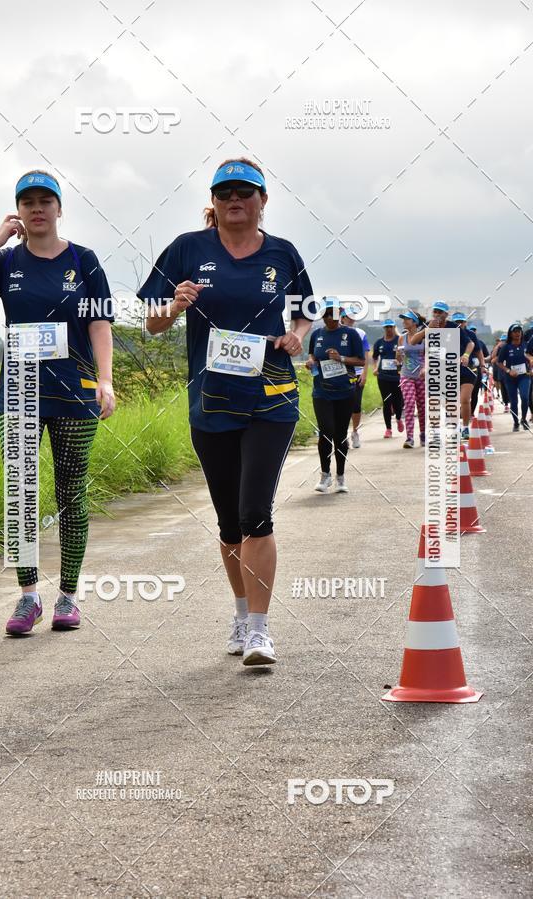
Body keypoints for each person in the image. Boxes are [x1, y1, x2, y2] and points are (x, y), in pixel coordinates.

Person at [138, 158, 314, 667]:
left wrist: (295, 338)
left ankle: (259, 631)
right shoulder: (188, 249)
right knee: (229, 522)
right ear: (213, 202)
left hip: (272, 397)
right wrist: (173, 306)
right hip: (211, 402)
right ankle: (241, 614)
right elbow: (151, 324)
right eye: (225, 192)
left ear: (263, 201)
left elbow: (305, 309)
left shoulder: (283, 253)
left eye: (246, 191)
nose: (235, 199)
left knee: (256, 512)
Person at [0, 170, 115, 635]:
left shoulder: (84, 261)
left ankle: (67, 595)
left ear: (60, 209)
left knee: (71, 491)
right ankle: (28, 597)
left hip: (74, 391)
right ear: (18, 211)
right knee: (20, 490)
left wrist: (106, 380)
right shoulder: (6, 261)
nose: (37, 209)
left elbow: (99, 325)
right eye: (28, 203)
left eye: (46, 201)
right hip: (19, 391)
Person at [306, 299, 365, 492]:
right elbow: (312, 355)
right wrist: (310, 362)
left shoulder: (351, 334)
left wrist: (341, 358)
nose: (330, 318)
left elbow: (361, 361)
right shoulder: (317, 334)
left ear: (340, 314)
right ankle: (325, 475)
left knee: (340, 435)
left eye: (334, 313)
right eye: (326, 314)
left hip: (344, 392)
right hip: (321, 391)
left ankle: (340, 476)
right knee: (325, 431)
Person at [408, 301, 475, 441]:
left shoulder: (454, 327)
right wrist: (427, 330)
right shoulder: (429, 326)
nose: (437, 314)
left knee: (464, 400)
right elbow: (413, 341)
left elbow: (470, 343)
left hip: (461, 369)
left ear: (446, 314)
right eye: (435, 312)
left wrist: (466, 355)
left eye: (440, 312)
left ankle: (465, 428)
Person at [340, 306, 370, 448]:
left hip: (357, 373)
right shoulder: (337, 332)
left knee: (356, 405)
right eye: (349, 316)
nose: (351, 319)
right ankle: (342, 434)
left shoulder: (360, 333)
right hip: (341, 374)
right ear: (343, 317)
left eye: (354, 316)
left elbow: (366, 355)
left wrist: (364, 373)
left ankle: (355, 431)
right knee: (342, 406)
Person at [396, 310, 426, 448]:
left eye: (407, 319)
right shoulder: (402, 338)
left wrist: (425, 368)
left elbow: (431, 355)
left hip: (422, 376)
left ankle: (423, 434)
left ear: (414, 322)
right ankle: (409, 438)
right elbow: (399, 356)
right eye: (403, 319)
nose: (404, 321)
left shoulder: (425, 337)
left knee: (422, 406)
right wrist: (398, 356)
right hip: (406, 374)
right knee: (409, 403)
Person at [371, 318, 404, 438]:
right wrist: (375, 368)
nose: (389, 329)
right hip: (383, 376)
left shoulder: (399, 340)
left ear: (394, 327)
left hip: (397, 376)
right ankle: (388, 429)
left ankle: (399, 418)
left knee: (398, 401)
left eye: (391, 327)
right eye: (386, 327)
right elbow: (374, 357)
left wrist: (401, 364)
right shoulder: (379, 342)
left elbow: (406, 355)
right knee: (386, 401)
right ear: (384, 328)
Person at [498, 323, 532, 430]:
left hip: (524, 376)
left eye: (519, 331)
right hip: (510, 378)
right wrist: (508, 370)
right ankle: (516, 422)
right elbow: (499, 362)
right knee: (514, 401)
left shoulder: (526, 345)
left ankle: (524, 419)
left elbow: (531, 358)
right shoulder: (506, 347)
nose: (518, 334)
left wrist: (531, 369)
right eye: (515, 331)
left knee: (525, 397)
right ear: (510, 334)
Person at [468, 325, 489, 415]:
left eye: (474, 330)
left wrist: (482, 361)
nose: (473, 332)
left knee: (474, 393)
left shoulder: (480, 343)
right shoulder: (461, 340)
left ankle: (471, 412)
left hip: (476, 370)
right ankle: (463, 410)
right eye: (471, 330)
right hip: (462, 370)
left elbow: (487, 356)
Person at [491, 334, 509, 411]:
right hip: (501, 372)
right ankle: (506, 404)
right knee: (503, 388)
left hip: (510, 372)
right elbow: (493, 358)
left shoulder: (511, 347)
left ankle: (511, 402)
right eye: (502, 341)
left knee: (509, 387)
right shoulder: (498, 348)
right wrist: (498, 346)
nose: (504, 342)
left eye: (505, 341)